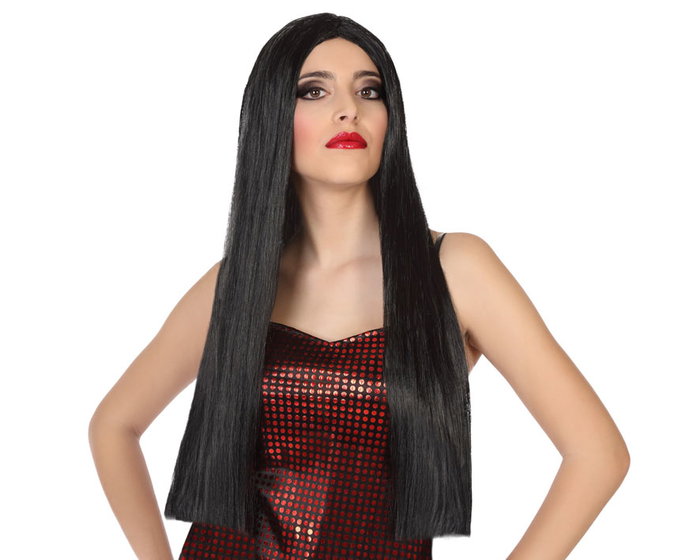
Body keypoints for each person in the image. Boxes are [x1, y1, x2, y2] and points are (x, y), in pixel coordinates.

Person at [88, 12, 630, 560]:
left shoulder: (454, 268)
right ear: (272, 116)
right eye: (314, 90)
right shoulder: (238, 285)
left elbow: (598, 454)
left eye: (369, 90)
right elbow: (114, 425)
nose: (349, 109)